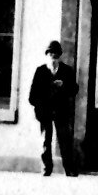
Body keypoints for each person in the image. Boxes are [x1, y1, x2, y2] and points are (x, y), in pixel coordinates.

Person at [29, 40, 80, 177]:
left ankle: (69, 169)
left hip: (61, 111)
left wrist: (63, 86)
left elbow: (74, 89)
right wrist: (43, 98)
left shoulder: (66, 71)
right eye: (51, 55)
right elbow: (32, 96)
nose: (53, 58)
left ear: (60, 57)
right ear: (47, 55)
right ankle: (46, 168)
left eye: (56, 56)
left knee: (65, 141)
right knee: (46, 141)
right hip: (45, 111)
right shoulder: (40, 71)